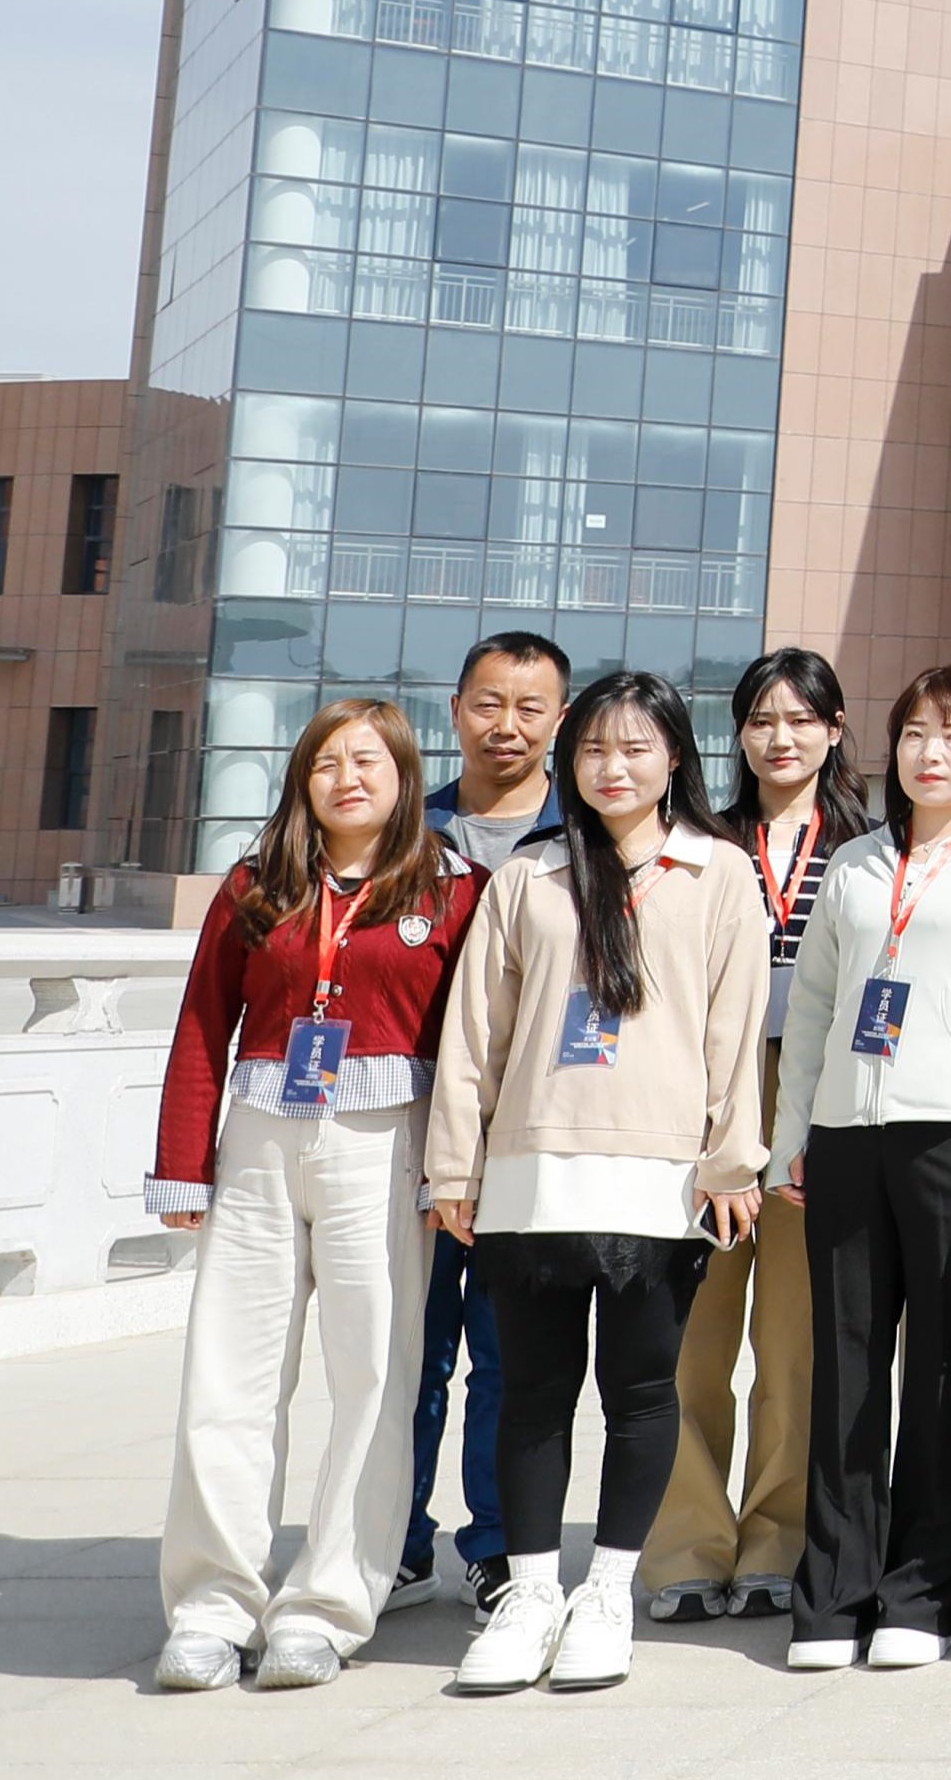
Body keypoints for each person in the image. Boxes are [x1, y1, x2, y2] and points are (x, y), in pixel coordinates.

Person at [419, 670, 773, 1696]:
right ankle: (531, 1593)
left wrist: (731, 1162)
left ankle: (608, 1591)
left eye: (635, 748)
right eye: (594, 751)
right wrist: (455, 1164)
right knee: (530, 1391)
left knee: (641, 1390)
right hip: (530, 1169)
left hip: (659, 1172)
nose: (612, 768)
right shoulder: (529, 876)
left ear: (675, 758)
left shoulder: (718, 872)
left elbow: (735, 1030)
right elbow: (475, 1035)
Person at [145, 696, 488, 1693]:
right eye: (328, 762)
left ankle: (328, 1606)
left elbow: (473, 1041)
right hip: (261, 1136)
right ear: (303, 779)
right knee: (228, 1377)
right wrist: (182, 1161)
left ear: (404, 778)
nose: (347, 779)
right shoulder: (255, 886)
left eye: (368, 762)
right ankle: (212, 1605)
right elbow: (203, 1021)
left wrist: (458, 1170)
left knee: (375, 1378)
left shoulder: (452, 889)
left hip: (386, 1143)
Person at [772, 664, 951, 1671]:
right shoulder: (854, 862)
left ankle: (925, 1587)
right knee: (844, 1364)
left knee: (945, 1366)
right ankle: (833, 1590)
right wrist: (794, 1132)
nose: (932, 753)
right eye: (916, 734)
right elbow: (813, 1008)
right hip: (847, 1133)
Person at [636, 651, 850, 1626]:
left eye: (801, 719)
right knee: (690, 1334)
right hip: (705, 1094)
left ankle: (778, 1538)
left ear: (835, 731)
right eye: (761, 720)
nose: (780, 738)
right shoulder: (698, 842)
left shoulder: (868, 847)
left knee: (797, 1340)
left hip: (816, 1095)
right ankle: (684, 1542)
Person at [400, 630, 573, 1613]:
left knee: (510, 1357)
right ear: (457, 708)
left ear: (559, 718)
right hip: (410, 1129)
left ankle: (500, 1547)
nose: (507, 725)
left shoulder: (585, 839)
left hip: (528, 1136)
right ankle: (393, 1540)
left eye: (530, 707)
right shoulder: (402, 832)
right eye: (489, 704)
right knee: (409, 1352)